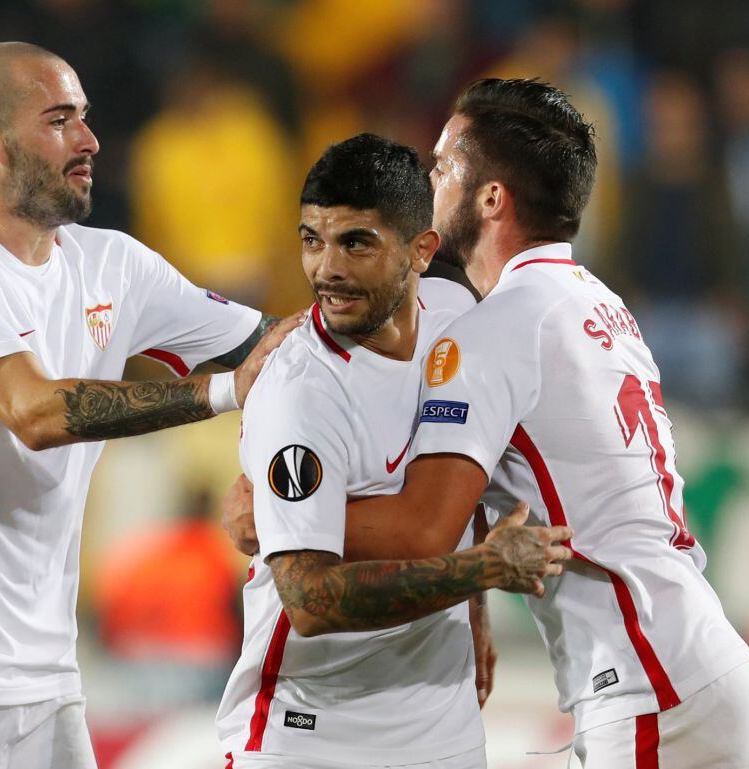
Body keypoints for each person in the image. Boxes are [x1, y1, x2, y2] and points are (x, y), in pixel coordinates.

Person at [225, 79, 749, 768]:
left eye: (445, 165)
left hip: (646, 684)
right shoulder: (597, 302)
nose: (429, 178)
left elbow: (424, 528)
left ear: (491, 199)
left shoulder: (491, 331)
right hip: (693, 660)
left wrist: (283, 518)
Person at [0, 41, 298, 769]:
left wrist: (399, 330)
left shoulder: (112, 264)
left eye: (84, 117)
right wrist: (223, 393)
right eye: (58, 121)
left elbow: (275, 349)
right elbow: (35, 412)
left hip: (45, 673)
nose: (90, 140)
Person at [217, 133, 573, 769]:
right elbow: (309, 602)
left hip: (444, 729)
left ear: (421, 250)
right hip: (311, 736)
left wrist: (476, 614)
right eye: (311, 240)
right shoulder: (300, 393)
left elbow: (462, 478)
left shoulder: (456, 315)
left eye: (356, 242)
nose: (327, 268)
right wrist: (481, 571)